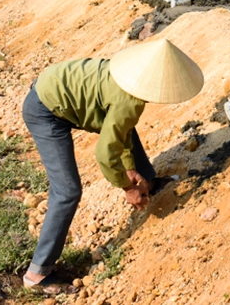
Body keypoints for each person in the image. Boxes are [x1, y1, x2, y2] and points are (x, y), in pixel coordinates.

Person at [20, 38, 204, 289]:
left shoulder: (123, 77)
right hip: (45, 109)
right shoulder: (128, 100)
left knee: (126, 128)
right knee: (67, 191)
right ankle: (37, 274)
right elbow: (104, 154)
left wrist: (131, 169)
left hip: (54, 86)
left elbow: (121, 129)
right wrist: (127, 187)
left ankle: (148, 184)